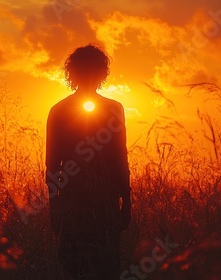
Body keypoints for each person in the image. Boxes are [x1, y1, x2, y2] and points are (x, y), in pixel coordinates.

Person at [45, 44, 131, 279]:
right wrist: (56, 210)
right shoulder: (60, 111)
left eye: (93, 70)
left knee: (94, 266)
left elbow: (119, 157)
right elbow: (52, 166)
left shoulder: (61, 110)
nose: (90, 75)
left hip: (100, 202)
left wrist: (127, 199)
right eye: (86, 70)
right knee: (89, 266)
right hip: (82, 202)